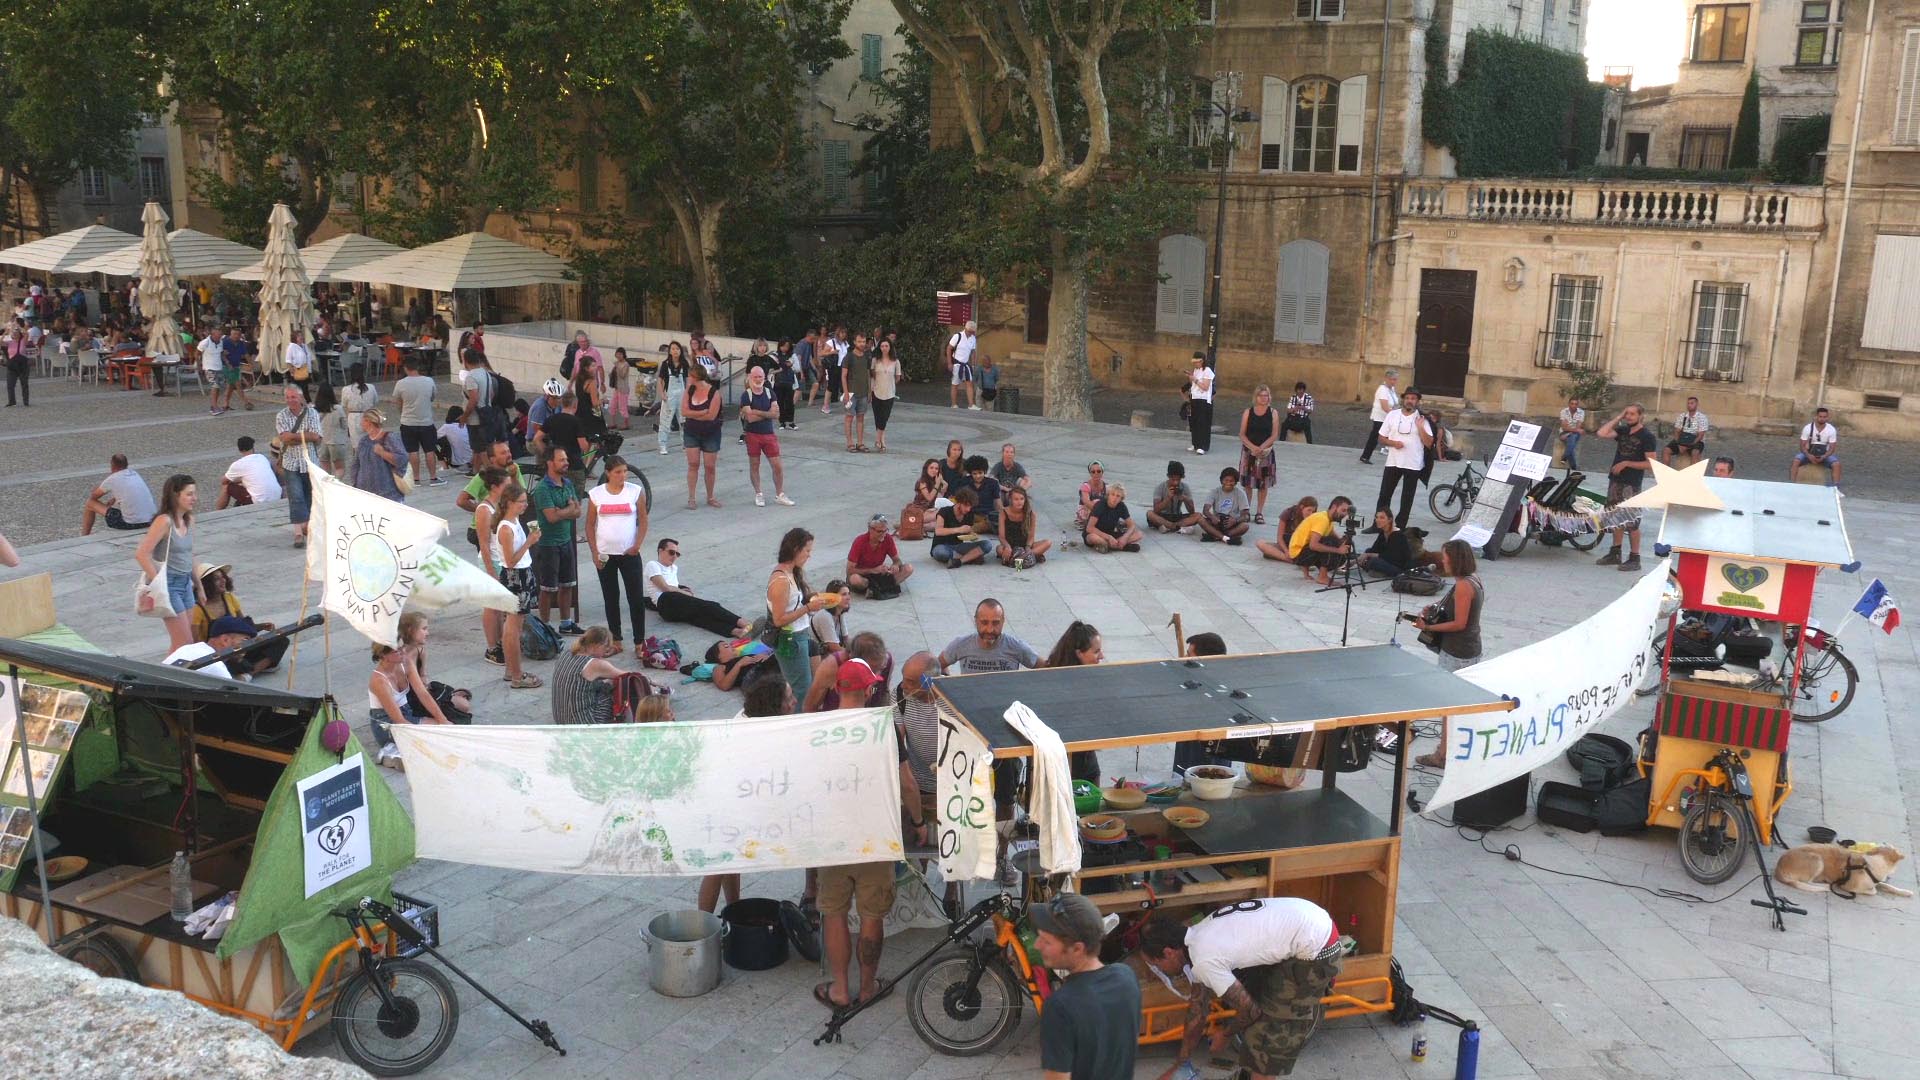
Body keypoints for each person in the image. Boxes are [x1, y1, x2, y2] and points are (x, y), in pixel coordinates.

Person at [1140, 898, 1343, 1080]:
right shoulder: (1197, 936)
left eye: (1157, 965)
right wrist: (1181, 1063)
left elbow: (1250, 1010)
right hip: (1309, 919)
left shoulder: (1203, 959)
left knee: (1269, 1038)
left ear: (1168, 953)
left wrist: (1225, 1035)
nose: (1161, 971)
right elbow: (1197, 1009)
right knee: (1255, 1000)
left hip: (1316, 945)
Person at [941, 599, 1040, 884]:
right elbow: (938, 665)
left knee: (1005, 800)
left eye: (995, 623)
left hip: (1005, 738)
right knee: (968, 799)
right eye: (984, 622)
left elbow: (1044, 668)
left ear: (1003, 622)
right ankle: (964, 856)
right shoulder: (962, 645)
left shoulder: (1015, 646)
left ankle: (1001, 857)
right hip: (971, 739)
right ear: (976, 621)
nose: (989, 629)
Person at [1033, 892, 1139, 1080]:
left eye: (1046, 941)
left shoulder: (1060, 1006)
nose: (1036, 945)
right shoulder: (1126, 977)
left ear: (1077, 948)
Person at [478, 475, 543, 688]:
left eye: (525, 501)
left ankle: (511, 671)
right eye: (521, 502)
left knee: (515, 624)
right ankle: (516, 674)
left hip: (523, 573)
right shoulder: (505, 527)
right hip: (516, 576)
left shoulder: (514, 521)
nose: (525, 505)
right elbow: (510, 561)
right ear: (509, 503)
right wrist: (529, 543)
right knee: (513, 627)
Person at [585, 456, 649, 654]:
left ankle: (639, 642)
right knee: (611, 598)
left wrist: (636, 545)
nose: (622, 475)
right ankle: (616, 640)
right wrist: (594, 551)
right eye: (618, 472)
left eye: (624, 471)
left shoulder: (635, 491)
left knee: (636, 598)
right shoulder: (596, 494)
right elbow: (589, 524)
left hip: (629, 553)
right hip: (605, 554)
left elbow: (643, 521)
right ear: (608, 473)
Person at [135, 474, 200, 651]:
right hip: (169, 585)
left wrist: (199, 586)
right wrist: (158, 583)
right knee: (183, 644)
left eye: (194, 493)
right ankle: (165, 676)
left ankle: (169, 674)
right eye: (189, 494)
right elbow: (141, 554)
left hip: (186, 583)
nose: (194, 498)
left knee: (186, 642)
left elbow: (189, 555)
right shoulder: (164, 521)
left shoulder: (188, 520)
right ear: (175, 495)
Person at [767, 527, 832, 703]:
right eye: (807, 550)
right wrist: (808, 608)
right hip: (790, 639)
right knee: (801, 689)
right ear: (796, 549)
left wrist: (811, 599)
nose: (809, 555)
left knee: (805, 685)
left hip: (798, 636)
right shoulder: (781, 581)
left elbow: (793, 602)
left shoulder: (791, 572)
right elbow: (778, 619)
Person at [368, 638, 453, 769]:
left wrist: (443, 720)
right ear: (384, 655)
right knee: (433, 742)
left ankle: (400, 751)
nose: (404, 652)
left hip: (406, 712)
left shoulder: (405, 662)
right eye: (398, 650)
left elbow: (423, 694)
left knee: (445, 731)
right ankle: (391, 751)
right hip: (386, 723)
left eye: (403, 648)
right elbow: (399, 720)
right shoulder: (379, 680)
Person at [645, 538, 753, 638]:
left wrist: (682, 589)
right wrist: (684, 593)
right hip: (666, 601)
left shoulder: (674, 568)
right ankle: (745, 624)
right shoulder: (653, 565)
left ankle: (736, 632)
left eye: (677, 554)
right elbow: (665, 588)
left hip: (673, 606)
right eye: (671, 552)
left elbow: (671, 586)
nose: (674, 556)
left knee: (700, 618)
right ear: (660, 551)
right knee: (710, 606)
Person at [190, 563, 286, 676]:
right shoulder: (197, 608)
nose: (223, 581)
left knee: (280, 640)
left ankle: (249, 674)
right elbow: (195, 642)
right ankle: (247, 671)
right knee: (237, 664)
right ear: (206, 584)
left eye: (223, 577)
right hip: (218, 653)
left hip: (238, 647)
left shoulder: (229, 597)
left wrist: (261, 626)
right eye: (216, 579)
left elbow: (242, 625)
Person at [1595, 404, 1657, 572]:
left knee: (1631, 521)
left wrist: (1627, 463)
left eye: (1632, 414)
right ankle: (1615, 552)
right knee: (1615, 517)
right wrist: (1618, 416)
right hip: (1616, 480)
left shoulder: (1647, 437)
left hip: (1631, 483)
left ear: (1640, 416)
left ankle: (1635, 557)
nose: (1629, 417)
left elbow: (1651, 463)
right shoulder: (1622, 431)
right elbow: (1601, 433)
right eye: (1627, 414)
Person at [532, 445, 586, 635]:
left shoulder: (567, 483)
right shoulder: (542, 489)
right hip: (548, 545)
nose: (566, 462)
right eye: (562, 460)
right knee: (547, 588)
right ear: (550, 463)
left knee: (567, 584)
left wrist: (565, 511)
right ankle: (545, 626)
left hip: (566, 541)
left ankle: (566, 623)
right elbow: (551, 517)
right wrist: (568, 511)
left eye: (566, 459)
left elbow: (578, 511)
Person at [1045, 622, 1107, 783]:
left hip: (1085, 755)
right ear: (1079, 653)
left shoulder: (1090, 676)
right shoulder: (1055, 681)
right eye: (1096, 651)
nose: (1102, 656)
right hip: (1061, 759)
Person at [552, 626, 651, 725]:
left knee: (603, 684)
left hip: (561, 719)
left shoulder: (567, 653)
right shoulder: (596, 664)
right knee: (620, 688)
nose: (606, 652)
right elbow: (630, 676)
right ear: (598, 645)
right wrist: (649, 680)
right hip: (582, 722)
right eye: (606, 648)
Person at [1375, 388, 1434, 529]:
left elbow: (1429, 443)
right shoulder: (1393, 415)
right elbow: (1381, 437)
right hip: (1393, 461)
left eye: (1413, 398)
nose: (1410, 401)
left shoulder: (1422, 419)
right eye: (1407, 398)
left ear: (1417, 401)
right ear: (1403, 400)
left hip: (1413, 464)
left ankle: (1400, 526)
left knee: (1406, 499)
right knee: (1384, 495)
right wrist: (1393, 443)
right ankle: (1378, 524)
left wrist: (1420, 427)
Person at [1172, 632, 1229, 772]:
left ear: (1204, 659)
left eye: (1189, 655)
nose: (1185, 658)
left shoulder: (1219, 687)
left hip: (1206, 750)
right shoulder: (1197, 677)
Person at [272, 387, 322, 545]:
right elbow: (284, 439)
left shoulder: (312, 413)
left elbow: (315, 436)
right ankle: (298, 533)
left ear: (301, 398)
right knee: (295, 497)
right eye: (287, 397)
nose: (290, 400)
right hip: (291, 463)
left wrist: (292, 436)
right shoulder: (281, 415)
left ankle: (307, 525)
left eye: (293, 397)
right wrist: (304, 436)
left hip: (310, 462)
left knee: (309, 496)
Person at [738, 365, 794, 506]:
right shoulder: (746, 395)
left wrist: (757, 412)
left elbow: (776, 414)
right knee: (755, 465)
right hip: (752, 435)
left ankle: (779, 494)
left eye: (760, 377)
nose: (758, 379)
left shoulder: (770, 393)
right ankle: (758, 493)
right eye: (755, 377)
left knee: (777, 466)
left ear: (764, 377)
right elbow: (749, 418)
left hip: (768, 434)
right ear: (750, 378)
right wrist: (767, 413)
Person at [392, 354, 444, 487]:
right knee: (429, 450)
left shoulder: (400, 384)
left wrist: (402, 413)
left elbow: (398, 402)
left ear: (405, 368)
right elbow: (432, 397)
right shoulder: (429, 381)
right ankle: (433, 477)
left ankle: (416, 479)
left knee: (412, 451)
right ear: (418, 367)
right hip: (426, 421)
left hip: (408, 422)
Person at [680, 360, 725, 508]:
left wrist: (693, 415)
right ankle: (691, 498)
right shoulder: (689, 390)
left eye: (689, 376)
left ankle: (710, 496)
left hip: (710, 432)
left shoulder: (714, 393)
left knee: (710, 466)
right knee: (693, 464)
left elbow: (711, 416)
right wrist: (700, 412)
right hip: (691, 431)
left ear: (695, 377)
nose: (688, 379)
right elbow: (684, 411)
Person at [164, 616, 260, 682]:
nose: (247, 646)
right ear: (225, 640)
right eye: (245, 640)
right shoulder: (216, 667)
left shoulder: (188, 648)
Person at [81, 454, 157, 535]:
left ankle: (84, 535)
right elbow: (129, 490)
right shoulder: (135, 473)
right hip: (151, 521)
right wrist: (114, 498)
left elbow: (94, 496)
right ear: (127, 464)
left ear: (112, 465)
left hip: (131, 524)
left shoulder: (113, 478)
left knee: (90, 503)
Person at [1289, 495, 1355, 585]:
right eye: (1343, 510)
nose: (1344, 515)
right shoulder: (1322, 519)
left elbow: (1335, 537)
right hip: (1299, 555)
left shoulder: (1327, 518)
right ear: (1334, 507)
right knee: (1330, 542)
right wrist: (1338, 550)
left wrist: (1345, 540)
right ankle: (1322, 577)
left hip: (1299, 552)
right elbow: (1313, 545)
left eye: (1346, 512)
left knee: (1336, 546)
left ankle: (1319, 574)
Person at [1238, 386, 1281, 522]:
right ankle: (1246, 510)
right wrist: (1252, 447)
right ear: (1256, 397)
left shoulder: (1273, 413)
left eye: (1266, 395)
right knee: (1248, 483)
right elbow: (1242, 434)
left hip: (1265, 452)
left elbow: (1274, 435)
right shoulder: (1248, 412)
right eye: (1261, 395)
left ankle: (1259, 512)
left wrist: (1261, 448)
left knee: (1263, 484)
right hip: (1248, 451)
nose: (1264, 398)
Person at [846, 514, 915, 595]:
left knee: (908, 568)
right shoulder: (859, 542)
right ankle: (882, 588)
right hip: (863, 575)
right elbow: (849, 570)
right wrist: (873, 570)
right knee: (855, 579)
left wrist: (895, 565)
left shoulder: (888, 538)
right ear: (870, 529)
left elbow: (897, 560)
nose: (883, 534)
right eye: (880, 531)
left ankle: (875, 589)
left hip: (879, 575)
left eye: (885, 530)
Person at [929, 487, 996, 569]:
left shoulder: (969, 514)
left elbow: (966, 532)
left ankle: (959, 561)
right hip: (941, 545)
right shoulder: (944, 511)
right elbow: (938, 531)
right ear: (959, 502)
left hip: (958, 546)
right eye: (966, 505)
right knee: (940, 553)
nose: (968, 509)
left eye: (970, 506)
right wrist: (958, 529)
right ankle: (971, 557)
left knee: (987, 544)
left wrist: (971, 534)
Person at [353, 410, 408, 501]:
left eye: (362, 420)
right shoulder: (363, 441)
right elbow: (356, 464)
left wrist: (382, 453)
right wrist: (355, 484)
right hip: (365, 492)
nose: (361, 423)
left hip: (388, 493)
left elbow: (403, 459)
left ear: (368, 421)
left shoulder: (390, 438)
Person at [339, 363, 379, 486]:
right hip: (369, 417)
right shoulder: (371, 388)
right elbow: (375, 401)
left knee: (357, 449)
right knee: (371, 446)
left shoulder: (346, 389)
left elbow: (344, 405)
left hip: (354, 418)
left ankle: (360, 476)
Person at [216, 437, 282, 509]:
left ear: (239, 450)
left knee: (227, 486)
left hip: (259, 502)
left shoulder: (238, 464)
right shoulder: (262, 457)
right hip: (277, 497)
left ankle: (218, 511)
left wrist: (238, 480)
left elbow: (224, 481)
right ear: (253, 447)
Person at [998, 488, 1051, 568]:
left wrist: (1028, 547)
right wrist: (1007, 547)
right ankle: (1030, 557)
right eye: (1016, 499)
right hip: (1011, 546)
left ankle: (1021, 558)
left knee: (1048, 542)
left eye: (1022, 499)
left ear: (1025, 499)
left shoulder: (1031, 514)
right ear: (1010, 500)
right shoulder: (1004, 512)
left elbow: (1031, 536)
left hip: (1026, 545)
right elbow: (1001, 537)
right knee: (999, 549)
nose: (1019, 502)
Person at [1258, 495, 1318, 564]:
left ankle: (1281, 556)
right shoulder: (1288, 513)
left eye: (1313, 511)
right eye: (1309, 510)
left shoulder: (1313, 518)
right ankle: (1290, 560)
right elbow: (1280, 537)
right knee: (1260, 543)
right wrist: (1286, 551)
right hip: (1286, 544)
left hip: (1301, 547)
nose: (1310, 513)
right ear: (1302, 507)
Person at [1199, 467, 1251, 546]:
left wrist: (1235, 520)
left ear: (1236, 482)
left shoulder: (1240, 493)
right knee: (1201, 520)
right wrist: (1212, 517)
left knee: (1245, 526)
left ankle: (1215, 535)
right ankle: (1225, 537)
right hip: (1217, 521)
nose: (1228, 483)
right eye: (1226, 480)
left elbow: (1246, 515)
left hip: (1232, 522)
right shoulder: (1215, 491)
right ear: (1221, 481)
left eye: (1231, 481)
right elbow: (1205, 510)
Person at [1084, 483, 1143, 553]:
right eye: (1112, 494)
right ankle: (1120, 546)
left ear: (1121, 499)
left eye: (1118, 496)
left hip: (1110, 533)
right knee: (1092, 537)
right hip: (1097, 533)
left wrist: (1125, 538)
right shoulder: (1100, 505)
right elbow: (1090, 528)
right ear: (1108, 495)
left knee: (1139, 534)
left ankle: (1108, 545)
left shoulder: (1122, 506)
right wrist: (1109, 537)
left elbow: (1132, 525)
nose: (1114, 498)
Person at [1359, 369, 1400, 464]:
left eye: (1395, 379)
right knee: (1375, 437)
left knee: (1390, 435)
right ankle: (1366, 456)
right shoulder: (1382, 389)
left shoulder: (1392, 389)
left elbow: (1394, 403)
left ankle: (1387, 451)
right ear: (1386, 379)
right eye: (1392, 379)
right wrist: (1395, 415)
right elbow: (1385, 407)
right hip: (1380, 418)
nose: (1394, 381)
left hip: (1388, 417)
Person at [1792, 406, 1841, 486]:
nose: (1822, 419)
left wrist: (1824, 457)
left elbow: (1832, 448)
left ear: (1827, 417)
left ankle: (1836, 487)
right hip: (1809, 453)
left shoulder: (1831, 430)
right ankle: (1792, 484)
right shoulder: (1808, 428)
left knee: (1836, 464)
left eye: (1824, 417)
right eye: (1820, 416)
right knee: (1796, 461)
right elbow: (1802, 446)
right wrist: (1809, 455)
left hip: (1824, 454)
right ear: (1816, 417)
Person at [656, 341, 689, 455]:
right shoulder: (665, 364)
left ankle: (686, 444)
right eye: (673, 349)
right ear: (670, 351)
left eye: (677, 349)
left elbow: (688, 380)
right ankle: (663, 445)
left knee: (684, 420)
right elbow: (660, 380)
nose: (675, 351)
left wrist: (689, 395)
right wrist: (662, 394)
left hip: (682, 395)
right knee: (665, 421)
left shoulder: (684, 364)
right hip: (669, 396)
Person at [841, 332, 872, 452]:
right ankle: (850, 443)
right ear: (854, 342)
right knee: (849, 417)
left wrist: (869, 391)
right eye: (859, 341)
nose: (862, 344)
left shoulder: (866, 356)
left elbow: (868, 374)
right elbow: (843, 375)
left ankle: (860, 443)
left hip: (863, 392)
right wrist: (846, 392)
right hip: (851, 392)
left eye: (864, 341)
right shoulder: (848, 357)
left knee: (861, 417)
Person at [1357, 510, 1412, 577]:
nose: (1378, 520)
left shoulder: (1398, 535)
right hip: (1387, 561)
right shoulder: (1383, 532)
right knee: (1367, 551)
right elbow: (1374, 549)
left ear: (1389, 520)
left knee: (1373, 561)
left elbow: (1391, 557)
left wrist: (1368, 555)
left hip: (1399, 567)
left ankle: (1378, 570)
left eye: (1382, 518)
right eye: (1376, 517)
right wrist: (1354, 561)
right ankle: (1378, 570)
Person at [314, 381, 350, 478]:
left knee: (325, 470)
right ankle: (336, 484)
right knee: (339, 468)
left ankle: (327, 487)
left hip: (322, 442)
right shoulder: (338, 408)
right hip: (336, 441)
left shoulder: (315, 410)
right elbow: (344, 424)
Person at [869, 336, 900, 451]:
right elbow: (871, 376)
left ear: (890, 347)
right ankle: (882, 440)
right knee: (878, 417)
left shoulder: (895, 361)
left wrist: (890, 382)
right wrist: (870, 391)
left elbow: (897, 377)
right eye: (882, 346)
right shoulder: (875, 360)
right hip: (876, 391)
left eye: (886, 346)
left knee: (884, 417)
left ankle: (878, 439)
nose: (884, 348)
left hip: (890, 393)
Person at [1663, 396, 1710, 467]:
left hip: (1696, 440)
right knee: (1666, 450)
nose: (1689, 405)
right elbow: (1677, 431)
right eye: (1688, 403)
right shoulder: (1682, 416)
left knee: (1695, 453)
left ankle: (1691, 475)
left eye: (1692, 403)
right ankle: (1665, 472)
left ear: (1696, 404)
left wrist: (1689, 445)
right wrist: (1679, 443)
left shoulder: (1702, 417)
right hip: (1682, 439)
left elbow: (1701, 435)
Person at [945, 319, 979, 410]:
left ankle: (971, 405)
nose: (971, 333)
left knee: (969, 383)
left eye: (972, 332)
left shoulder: (973, 338)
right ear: (966, 329)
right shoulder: (957, 336)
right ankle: (954, 404)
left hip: (966, 364)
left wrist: (973, 364)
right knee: (955, 384)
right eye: (970, 331)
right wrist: (949, 363)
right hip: (957, 363)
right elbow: (949, 349)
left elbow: (973, 352)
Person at [220, 326, 255, 412]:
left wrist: (251, 364)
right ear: (231, 334)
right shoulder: (225, 342)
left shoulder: (241, 343)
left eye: (238, 334)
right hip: (227, 366)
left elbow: (246, 354)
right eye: (234, 334)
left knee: (231, 386)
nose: (236, 336)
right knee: (237, 384)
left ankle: (225, 404)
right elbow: (221, 354)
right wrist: (228, 364)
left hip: (236, 366)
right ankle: (246, 402)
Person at [963, 455, 1002, 531]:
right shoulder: (965, 482)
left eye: (980, 473)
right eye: (974, 473)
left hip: (987, 515)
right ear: (970, 473)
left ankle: (968, 529)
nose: (978, 476)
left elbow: (998, 504)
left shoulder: (993, 483)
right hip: (970, 515)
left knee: (991, 523)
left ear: (985, 471)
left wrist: (1003, 515)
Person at [1187, 351, 1215, 455]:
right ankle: (1195, 443)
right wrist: (1191, 378)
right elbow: (1194, 384)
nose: (1195, 364)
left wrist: (1195, 379)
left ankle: (1202, 446)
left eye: (1197, 362)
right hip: (1194, 397)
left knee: (1202, 423)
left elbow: (1205, 387)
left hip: (1203, 399)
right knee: (1194, 422)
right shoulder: (1196, 370)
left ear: (1202, 361)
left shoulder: (1207, 371)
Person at [197, 325, 226, 414]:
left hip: (219, 367)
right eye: (217, 336)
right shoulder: (205, 342)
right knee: (215, 385)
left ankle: (214, 405)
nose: (219, 338)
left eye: (220, 336)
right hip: (209, 367)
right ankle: (214, 407)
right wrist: (198, 365)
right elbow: (197, 353)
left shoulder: (220, 342)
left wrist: (227, 363)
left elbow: (221, 353)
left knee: (218, 387)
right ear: (212, 335)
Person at [1073, 461, 1108, 531]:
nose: (1096, 473)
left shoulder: (1106, 487)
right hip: (1087, 510)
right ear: (1090, 473)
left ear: (1102, 472)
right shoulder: (1086, 486)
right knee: (1097, 501)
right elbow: (1086, 502)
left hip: (1100, 511)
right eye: (1093, 472)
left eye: (1098, 471)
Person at [437, 405, 472, 473]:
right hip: (471, 460)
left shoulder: (447, 427)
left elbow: (433, 438)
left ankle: (444, 465)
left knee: (434, 443)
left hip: (456, 462)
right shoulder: (468, 426)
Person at [605, 346, 631, 431]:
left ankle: (626, 424)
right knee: (612, 405)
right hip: (617, 388)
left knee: (622, 407)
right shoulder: (617, 363)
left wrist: (618, 367)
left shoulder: (626, 364)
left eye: (620, 354)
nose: (619, 356)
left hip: (623, 388)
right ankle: (613, 423)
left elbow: (623, 376)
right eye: (617, 354)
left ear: (624, 355)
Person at [284, 328, 314, 399]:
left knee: (305, 388)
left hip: (305, 370)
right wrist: (291, 370)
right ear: (295, 338)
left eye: (301, 336)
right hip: (296, 371)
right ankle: (303, 401)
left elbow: (308, 357)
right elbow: (288, 360)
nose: (301, 337)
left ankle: (307, 402)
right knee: (298, 389)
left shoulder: (304, 346)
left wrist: (310, 369)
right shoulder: (291, 347)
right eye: (299, 336)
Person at [1558, 395, 1586, 470]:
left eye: (1575, 404)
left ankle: (1565, 457)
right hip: (1564, 432)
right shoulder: (1563, 412)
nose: (1573, 406)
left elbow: (1578, 426)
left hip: (1574, 434)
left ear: (1578, 405)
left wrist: (1570, 431)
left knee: (1572, 438)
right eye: (1572, 403)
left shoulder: (1581, 412)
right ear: (1569, 404)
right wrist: (1572, 430)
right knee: (1572, 440)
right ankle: (1573, 466)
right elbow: (1564, 427)